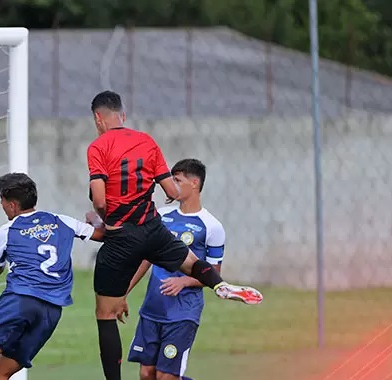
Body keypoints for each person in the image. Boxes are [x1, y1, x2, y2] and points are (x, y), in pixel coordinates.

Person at [85, 90, 263, 380]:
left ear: (97, 118)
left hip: (121, 238)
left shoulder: (98, 147)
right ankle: (220, 286)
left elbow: (100, 200)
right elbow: (171, 191)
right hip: (154, 229)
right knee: (192, 262)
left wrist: (105, 220)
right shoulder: (147, 141)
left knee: (105, 316)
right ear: (123, 115)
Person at [0, 173, 105, 380]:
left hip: (18, 302)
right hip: (50, 311)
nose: (1, 205)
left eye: (2, 200)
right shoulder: (61, 220)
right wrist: (96, 219)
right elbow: (102, 235)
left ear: (12, 205)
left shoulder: (8, 230)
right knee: (1, 373)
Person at [125, 158, 225, 380]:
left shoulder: (211, 226)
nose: (172, 186)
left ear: (195, 183)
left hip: (183, 313)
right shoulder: (161, 216)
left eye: (177, 181)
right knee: (146, 373)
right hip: (153, 308)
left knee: (166, 376)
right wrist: (124, 292)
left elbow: (214, 274)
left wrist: (184, 281)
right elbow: (145, 258)